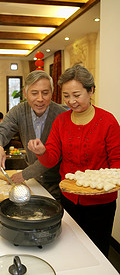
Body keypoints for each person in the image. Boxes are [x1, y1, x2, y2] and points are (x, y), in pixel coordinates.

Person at [28, 64, 120, 257]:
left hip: (100, 203)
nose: (71, 101)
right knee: (71, 250)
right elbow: (52, 158)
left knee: (97, 251)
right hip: (69, 197)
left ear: (91, 90)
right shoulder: (61, 121)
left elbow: (117, 163)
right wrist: (42, 150)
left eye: (76, 95)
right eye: (67, 96)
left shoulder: (108, 121)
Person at [0, 70, 66, 201]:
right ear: (25, 93)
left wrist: (24, 174)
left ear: (52, 93)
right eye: (34, 93)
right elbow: (0, 131)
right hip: (34, 181)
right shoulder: (19, 110)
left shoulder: (61, 115)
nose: (40, 99)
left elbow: (55, 156)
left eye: (45, 93)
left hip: (57, 182)